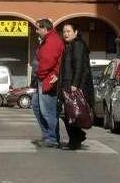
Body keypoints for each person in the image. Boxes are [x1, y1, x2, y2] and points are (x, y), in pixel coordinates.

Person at [59, 22, 94, 150]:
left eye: (68, 31)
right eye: (64, 32)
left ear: (76, 32)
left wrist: (75, 84)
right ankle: (77, 137)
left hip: (73, 85)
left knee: (71, 113)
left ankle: (75, 140)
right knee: (68, 113)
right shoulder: (69, 45)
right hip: (67, 83)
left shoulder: (77, 45)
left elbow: (79, 66)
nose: (66, 34)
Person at [34, 19, 64, 148]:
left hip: (47, 80)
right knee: (36, 105)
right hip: (46, 79)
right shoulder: (49, 39)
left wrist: (40, 75)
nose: (36, 31)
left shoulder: (52, 40)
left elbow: (48, 61)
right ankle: (49, 135)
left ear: (44, 29)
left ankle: (51, 138)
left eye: (38, 28)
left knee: (47, 110)